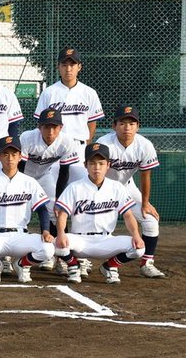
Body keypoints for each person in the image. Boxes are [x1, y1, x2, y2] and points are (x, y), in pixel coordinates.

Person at [54, 143, 145, 284]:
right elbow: (62, 215)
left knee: (138, 249)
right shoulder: (74, 187)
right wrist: (60, 234)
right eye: (92, 163)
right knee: (54, 245)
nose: (97, 167)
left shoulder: (117, 187)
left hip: (106, 240)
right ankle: (74, 266)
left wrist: (136, 235)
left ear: (108, 165)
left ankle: (110, 266)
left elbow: (128, 215)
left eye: (101, 163)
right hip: (80, 241)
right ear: (85, 165)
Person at [0, 136, 54, 284]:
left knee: (48, 249)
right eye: (5, 154)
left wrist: (46, 231)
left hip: (21, 235)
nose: (10, 158)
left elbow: (42, 210)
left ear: (20, 157)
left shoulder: (30, 182)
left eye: (14, 154)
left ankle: (22, 264)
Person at [96, 105, 164, 278]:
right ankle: (82, 261)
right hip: (102, 188)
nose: (127, 127)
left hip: (126, 187)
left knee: (150, 221)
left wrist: (145, 203)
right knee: (92, 224)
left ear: (138, 127)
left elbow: (145, 175)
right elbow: (95, 171)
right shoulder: (105, 143)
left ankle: (146, 263)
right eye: (122, 123)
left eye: (132, 124)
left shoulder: (144, 145)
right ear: (114, 126)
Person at [18, 108, 79, 271]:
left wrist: (59, 200)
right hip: (24, 176)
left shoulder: (66, 141)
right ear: (39, 127)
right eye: (46, 127)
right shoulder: (27, 137)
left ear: (61, 127)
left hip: (45, 176)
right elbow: (20, 167)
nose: (50, 131)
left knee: (55, 211)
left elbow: (64, 173)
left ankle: (60, 255)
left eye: (54, 127)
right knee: (19, 210)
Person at [34, 47, 104, 181]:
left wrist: (85, 144)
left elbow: (92, 123)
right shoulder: (49, 92)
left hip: (79, 147)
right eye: (64, 65)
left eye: (72, 65)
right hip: (54, 147)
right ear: (58, 67)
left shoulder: (89, 93)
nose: (68, 69)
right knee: (52, 188)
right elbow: (40, 123)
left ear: (79, 67)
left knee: (80, 187)